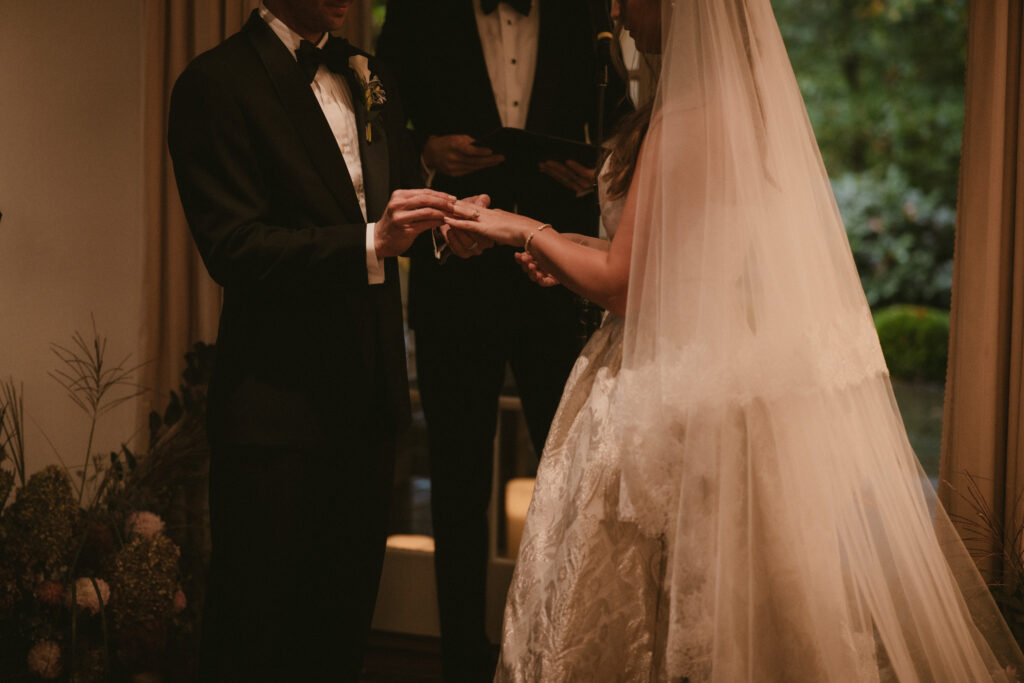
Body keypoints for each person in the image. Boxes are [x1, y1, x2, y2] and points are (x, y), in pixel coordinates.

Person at [444, 0, 1024, 679]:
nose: (617, 12)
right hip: (709, 368)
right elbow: (666, 259)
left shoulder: (688, 117)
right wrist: (564, 245)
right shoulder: (731, 107)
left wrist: (518, 228)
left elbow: (624, 283)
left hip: (665, 388)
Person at [166, 1, 456, 680]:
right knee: (255, 637)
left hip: (371, 404)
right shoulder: (215, 83)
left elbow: (391, 198)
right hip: (277, 412)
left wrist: (444, 225)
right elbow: (234, 246)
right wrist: (370, 242)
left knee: (339, 638)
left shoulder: (369, 72)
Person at [375, 2, 630, 680]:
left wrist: (593, 164)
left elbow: (622, 120)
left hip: (561, 275)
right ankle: (462, 659)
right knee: (457, 485)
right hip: (453, 274)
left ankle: (559, 654)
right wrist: (428, 152)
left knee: (571, 471)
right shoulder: (416, 13)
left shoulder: (586, 14)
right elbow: (376, 121)